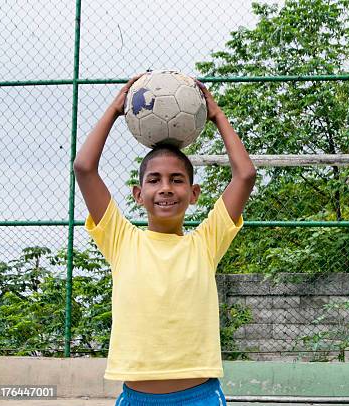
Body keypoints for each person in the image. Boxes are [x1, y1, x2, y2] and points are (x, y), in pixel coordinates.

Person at [73, 73, 256, 405]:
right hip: (136, 399)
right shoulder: (121, 240)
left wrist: (216, 115)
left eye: (177, 180)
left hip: (199, 397)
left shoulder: (205, 243)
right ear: (139, 194)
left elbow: (245, 174)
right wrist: (115, 110)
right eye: (154, 180)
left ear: (194, 193)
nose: (166, 188)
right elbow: (84, 168)